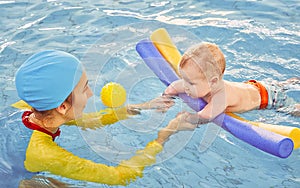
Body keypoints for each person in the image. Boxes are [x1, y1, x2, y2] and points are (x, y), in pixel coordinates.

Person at [15, 50, 187, 185]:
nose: (90, 94)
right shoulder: (44, 153)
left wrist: (144, 106)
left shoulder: (29, 108)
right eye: (84, 89)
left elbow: (94, 119)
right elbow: (121, 176)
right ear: (62, 107)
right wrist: (165, 135)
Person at [164, 42, 300, 125]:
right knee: (279, 86)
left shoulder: (221, 97)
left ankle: (289, 86)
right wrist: (165, 98)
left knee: (295, 110)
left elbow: (205, 116)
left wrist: (187, 118)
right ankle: (290, 82)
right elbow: (174, 87)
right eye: (184, 79)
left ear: (213, 82)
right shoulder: (196, 84)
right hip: (254, 86)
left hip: (269, 98)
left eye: (190, 83)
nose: (185, 86)